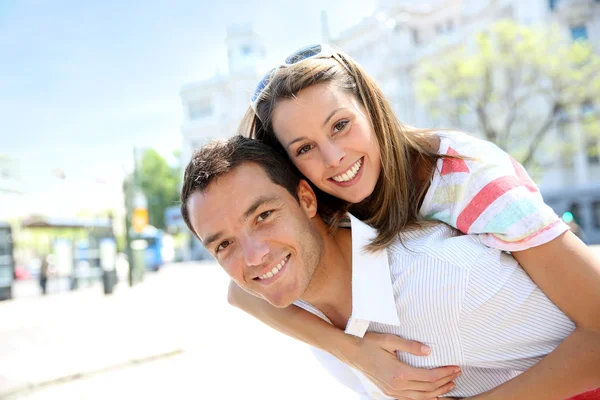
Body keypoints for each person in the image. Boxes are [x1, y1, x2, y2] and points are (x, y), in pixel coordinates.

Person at [225, 44, 600, 399]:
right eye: (305, 148)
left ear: (371, 110)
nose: (334, 156)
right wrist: (355, 352)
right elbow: (239, 291)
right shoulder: (325, 206)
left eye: (340, 125)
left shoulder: (466, 174)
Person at [180, 136, 600, 399]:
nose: (252, 257)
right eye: (224, 245)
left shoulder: (438, 282)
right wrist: (353, 352)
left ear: (307, 200)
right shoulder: (299, 304)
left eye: (263, 216)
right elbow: (237, 294)